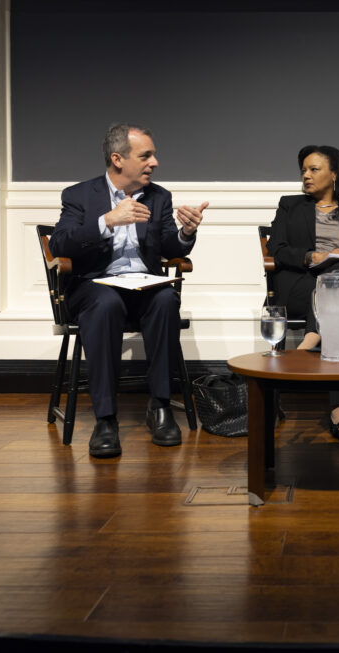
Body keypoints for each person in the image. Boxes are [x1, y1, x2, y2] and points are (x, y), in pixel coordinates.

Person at [50, 123, 208, 458]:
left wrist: (185, 232)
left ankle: (161, 406)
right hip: (94, 288)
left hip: (144, 287)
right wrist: (107, 220)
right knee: (106, 303)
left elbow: (169, 244)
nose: (155, 163)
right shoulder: (79, 195)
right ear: (118, 159)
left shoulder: (159, 197)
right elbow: (60, 243)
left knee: (166, 298)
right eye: (146, 155)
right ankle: (105, 419)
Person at [267, 145, 339, 446]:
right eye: (303, 170)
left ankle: (311, 338)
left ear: (334, 173)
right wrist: (313, 255)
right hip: (302, 285)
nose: (306, 175)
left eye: (314, 169)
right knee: (338, 301)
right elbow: (277, 249)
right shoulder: (290, 205)